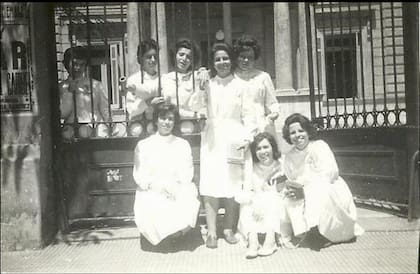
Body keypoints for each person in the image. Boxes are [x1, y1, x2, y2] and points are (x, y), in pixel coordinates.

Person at [199, 42, 257, 249]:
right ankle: (212, 232)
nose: (222, 62)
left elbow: (250, 115)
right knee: (211, 184)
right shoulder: (207, 84)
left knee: (233, 185)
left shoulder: (241, 86)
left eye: (225, 58)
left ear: (231, 60)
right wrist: (200, 81)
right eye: (217, 59)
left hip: (234, 137)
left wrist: (247, 138)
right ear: (212, 63)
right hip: (212, 139)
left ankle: (228, 228)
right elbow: (197, 107)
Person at [278, 113, 364, 250]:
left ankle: (322, 232)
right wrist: (294, 189)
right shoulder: (289, 156)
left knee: (317, 192)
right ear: (288, 136)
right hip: (302, 190)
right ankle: (305, 231)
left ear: (308, 131)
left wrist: (305, 190)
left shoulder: (319, 146)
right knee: (287, 197)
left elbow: (330, 173)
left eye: (301, 130)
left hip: (329, 188)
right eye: (292, 132)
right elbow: (291, 178)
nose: (297, 135)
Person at [132, 102, 200, 246]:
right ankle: (161, 236)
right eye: (163, 118)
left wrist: (174, 187)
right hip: (153, 187)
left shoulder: (182, 144)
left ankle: (176, 234)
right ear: (156, 120)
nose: (166, 122)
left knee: (187, 194)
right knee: (153, 202)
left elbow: (187, 172)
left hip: (176, 187)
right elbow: (140, 175)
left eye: (170, 119)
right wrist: (158, 187)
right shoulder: (144, 145)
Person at [235, 132, 283, 259]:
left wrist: (263, 201)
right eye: (258, 149)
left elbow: (280, 191)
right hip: (257, 203)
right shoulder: (252, 167)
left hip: (276, 201)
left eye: (266, 147)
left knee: (273, 200)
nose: (263, 152)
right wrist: (256, 203)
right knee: (247, 203)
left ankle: (270, 239)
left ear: (273, 147)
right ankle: (253, 240)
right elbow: (249, 190)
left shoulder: (280, 165)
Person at [233, 34, 280, 143]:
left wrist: (274, 113)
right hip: (239, 127)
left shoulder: (263, 77)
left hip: (261, 126)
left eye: (250, 58)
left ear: (255, 59)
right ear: (236, 57)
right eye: (242, 56)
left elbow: (272, 102)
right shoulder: (231, 77)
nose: (246, 60)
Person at [59, 46, 110, 138]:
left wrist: (111, 127)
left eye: (82, 64)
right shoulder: (62, 87)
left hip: (96, 131)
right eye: (74, 64)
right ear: (66, 64)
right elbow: (63, 114)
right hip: (71, 133)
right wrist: (69, 92)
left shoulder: (96, 85)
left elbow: (105, 109)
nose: (78, 68)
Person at [152, 38, 208, 119]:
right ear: (174, 55)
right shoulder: (165, 79)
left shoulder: (197, 77)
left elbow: (196, 107)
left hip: (190, 123)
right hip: (169, 123)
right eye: (181, 54)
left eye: (189, 57)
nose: (184, 59)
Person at [125, 39, 160, 121]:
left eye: (155, 56)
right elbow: (130, 110)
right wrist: (147, 103)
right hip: (140, 125)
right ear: (140, 59)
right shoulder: (133, 80)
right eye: (148, 57)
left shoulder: (163, 79)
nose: (153, 60)